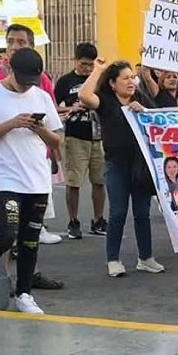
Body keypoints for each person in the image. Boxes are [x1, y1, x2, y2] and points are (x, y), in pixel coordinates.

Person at [0, 48, 64, 314]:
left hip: (37, 180)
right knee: (6, 232)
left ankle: (24, 293)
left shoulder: (41, 97)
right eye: (21, 79)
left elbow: (58, 141)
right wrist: (13, 123)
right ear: (8, 67)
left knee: (30, 240)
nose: (26, 85)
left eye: (31, 80)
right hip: (5, 178)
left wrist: (40, 129)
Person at [78, 58, 164, 278]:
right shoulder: (106, 101)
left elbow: (159, 120)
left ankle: (146, 258)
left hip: (140, 166)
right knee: (117, 213)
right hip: (116, 165)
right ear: (112, 84)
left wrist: (142, 110)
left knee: (142, 213)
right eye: (125, 78)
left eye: (132, 77)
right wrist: (97, 70)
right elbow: (85, 96)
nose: (131, 82)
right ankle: (113, 259)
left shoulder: (139, 98)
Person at [54, 42, 107, 239]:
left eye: (90, 65)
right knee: (74, 182)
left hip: (99, 135)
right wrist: (70, 109)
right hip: (76, 136)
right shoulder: (65, 82)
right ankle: (73, 220)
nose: (87, 69)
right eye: (83, 64)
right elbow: (52, 106)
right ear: (75, 61)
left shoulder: (99, 80)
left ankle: (99, 219)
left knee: (99, 181)